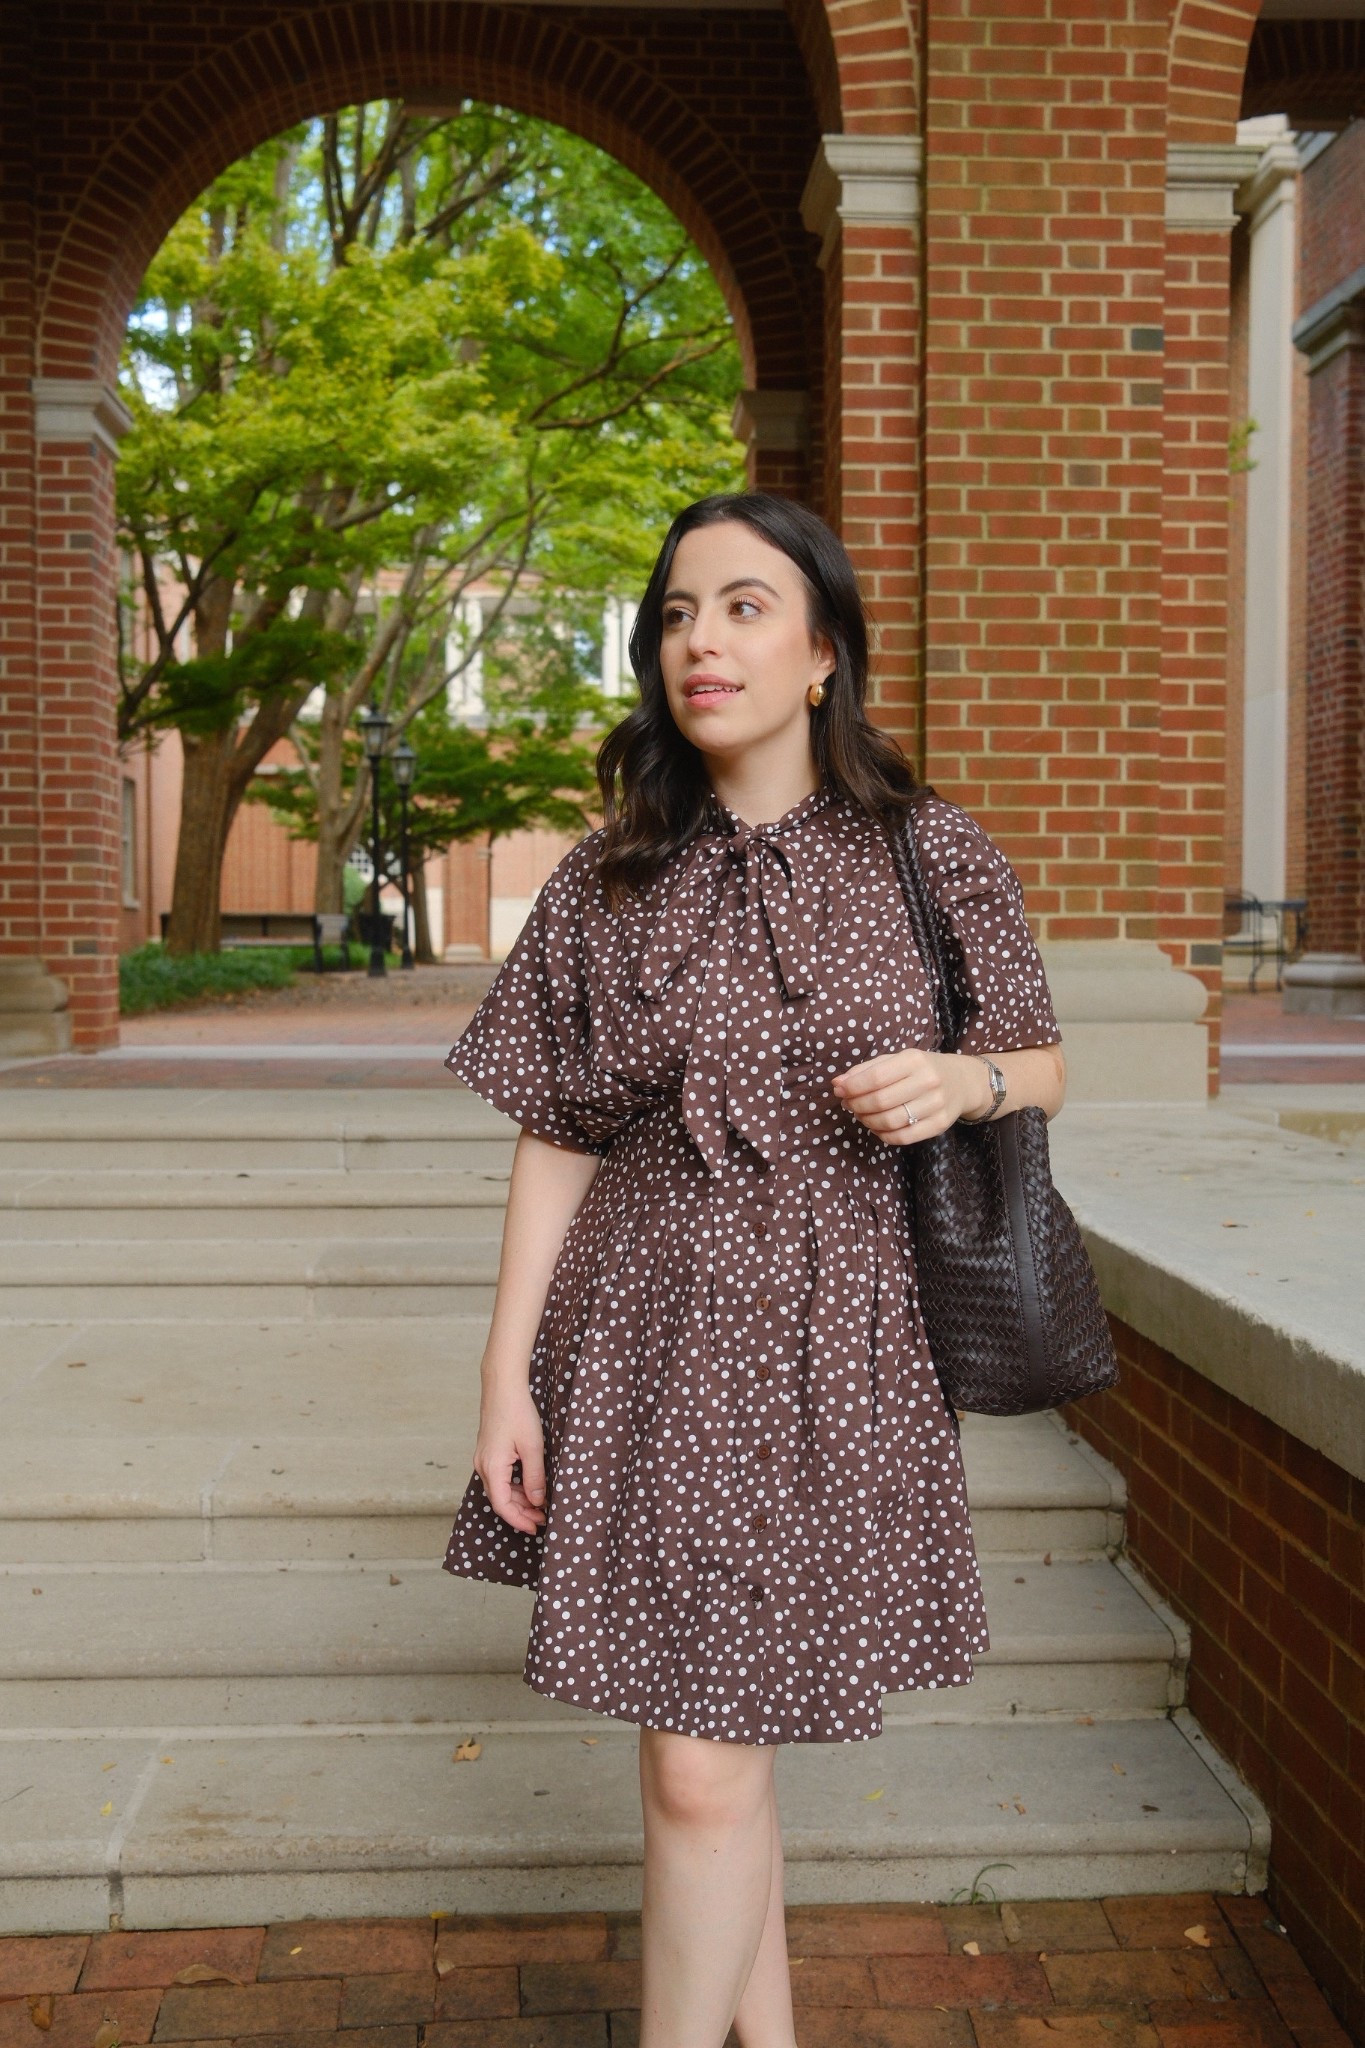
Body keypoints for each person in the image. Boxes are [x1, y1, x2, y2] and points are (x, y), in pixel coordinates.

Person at [441, 493, 1066, 2048]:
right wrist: (504, 1370)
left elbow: (1042, 1060)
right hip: (645, 1325)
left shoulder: (929, 851)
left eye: (741, 607)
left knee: (713, 1756)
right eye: (672, 614)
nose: (698, 641)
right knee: (706, 1756)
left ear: (819, 659)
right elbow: (556, 1128)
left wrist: (962, 1083)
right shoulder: (606, 879)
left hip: (839, 1331)